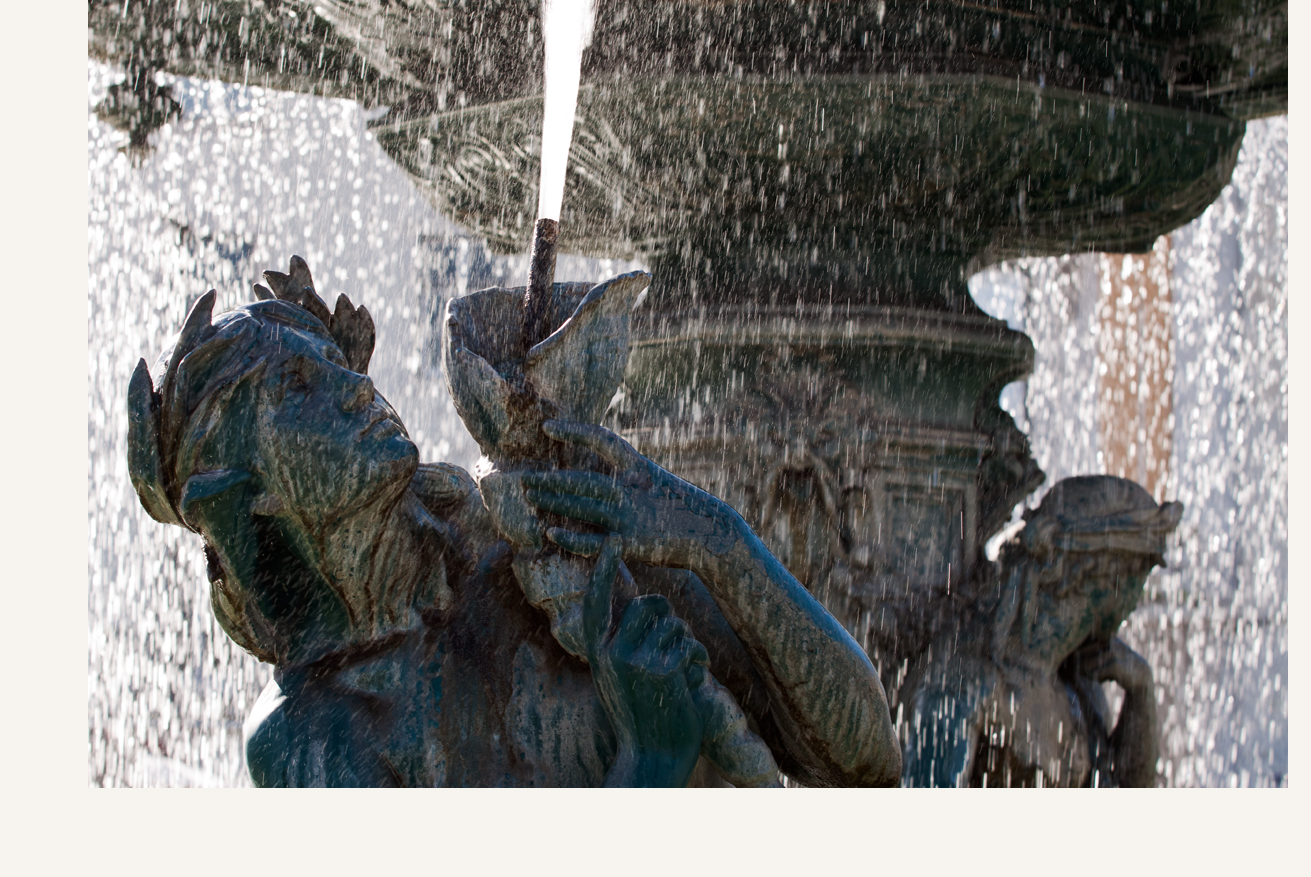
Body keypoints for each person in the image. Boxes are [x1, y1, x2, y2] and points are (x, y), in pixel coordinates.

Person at [127, 268, 901, 787]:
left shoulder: (542, 532)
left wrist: (717, 541)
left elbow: (867, 759)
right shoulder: (316, 740)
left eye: (336, 364)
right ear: (252, 494)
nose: (354, 389)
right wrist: (653, 756)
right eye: (302, 388)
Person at [897, 476, 1182, 788]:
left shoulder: (1080, 690)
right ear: (1104, 574)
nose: (1138, 597)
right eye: (1139, 576)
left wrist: (1141, 691)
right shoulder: (965, 683)